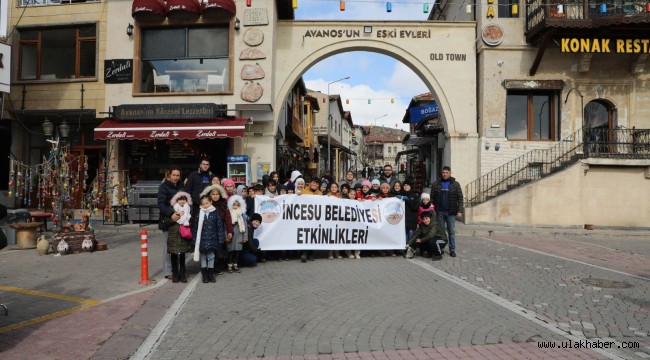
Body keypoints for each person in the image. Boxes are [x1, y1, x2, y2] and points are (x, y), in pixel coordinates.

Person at [200, 184, 233, 274]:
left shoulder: (224, 204)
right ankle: (209, 268)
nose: (215, 196)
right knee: (210, 250)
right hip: (208, 231)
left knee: (220, 250)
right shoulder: (206, 205)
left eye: (217, 194)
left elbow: (228, 218)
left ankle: (218, 267)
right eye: (213, 194)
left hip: (220, 230)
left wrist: (230, 231)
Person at [432, 166, 464, 258]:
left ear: (450, 173)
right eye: (443, 173)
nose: (445, 174)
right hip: (440, 212)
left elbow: (460, 198)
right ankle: (441, 248)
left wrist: (460, 210)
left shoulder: (455, 184)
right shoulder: (436, 184)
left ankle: (452, 249)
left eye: (446, 172)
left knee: (451, 232)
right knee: (441, 232)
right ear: (441, 174)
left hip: (451, 212)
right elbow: (432, 198)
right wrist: (433, 210)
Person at [157, 167, 182, 280]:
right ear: (169, 175)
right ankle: (168, 271)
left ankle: (177, 269)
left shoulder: (181, 187)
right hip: (167, 220)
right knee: (167, 246)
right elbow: (161, 204)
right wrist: (171, 213)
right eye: (174, 175)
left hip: (180, 220)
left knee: (178, 245)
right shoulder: (163, 187)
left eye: (177, 175)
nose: (175, 177)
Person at [192, 195, 225, 283]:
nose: (205, 205)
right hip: (202, 240)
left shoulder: (215, 213)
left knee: (211, 256)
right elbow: (195, 228)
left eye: (207, 203)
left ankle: (211, 275)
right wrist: (195, 240)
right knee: (203, 257)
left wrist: (221, 239)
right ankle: (205, 276)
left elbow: (220, 227)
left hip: (213, 240)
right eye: (203, 204)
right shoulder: (199, 214)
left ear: (210, 202)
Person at [226, 195, 247, 273]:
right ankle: (229, 266)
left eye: (237, 205)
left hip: (239, 236)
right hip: (231, 236)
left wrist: (245, 237)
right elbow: (226, 225)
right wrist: (227, 235)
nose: (235, 206)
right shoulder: (229, 214)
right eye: (234, 205)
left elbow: (245, 226)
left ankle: (235, 265)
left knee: (237, 252)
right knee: (230, 252)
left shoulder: (241, 215)